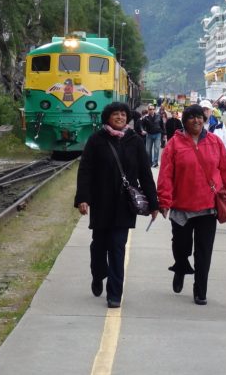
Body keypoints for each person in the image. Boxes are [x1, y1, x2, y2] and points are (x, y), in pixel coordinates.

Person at [74, 102, 161, 308]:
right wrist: (83, 198)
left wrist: (154, 203)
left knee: (117, 248)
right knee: (98, 246)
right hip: (101, 201)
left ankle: (114, 293)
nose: (120, 117)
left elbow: (145, 174)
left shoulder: (135, 140)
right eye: (116, 114)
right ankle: (98, 274)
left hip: (124, 204)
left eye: (123, 114)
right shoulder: (96, 140)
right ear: (108, 117)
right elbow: (85, 170)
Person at [157, 104, 226, 305]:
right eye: (192, 117)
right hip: (181, 207)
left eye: (200, 117)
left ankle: (200, 289)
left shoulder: (215, 142)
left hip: (208, 206)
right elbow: (165, 175)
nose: (197, 120)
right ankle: (180, 267)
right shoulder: (174, 145)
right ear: (185, 121)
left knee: (204, 251)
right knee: (181, 246)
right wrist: (164, 200)